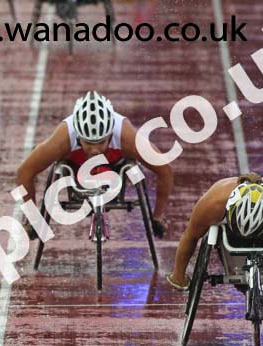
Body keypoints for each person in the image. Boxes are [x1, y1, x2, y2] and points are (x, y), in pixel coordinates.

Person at [16, 90, 174, 238]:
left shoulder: (126, 136)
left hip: (115, 170)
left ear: (110, 134)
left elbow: (165, 170)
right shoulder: (64, 138)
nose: (95, 150)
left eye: (101, 142)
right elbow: (24, 172)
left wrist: (158, 216)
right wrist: (33, 217)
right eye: (88, 143)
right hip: (77, 170)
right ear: (78, 136)